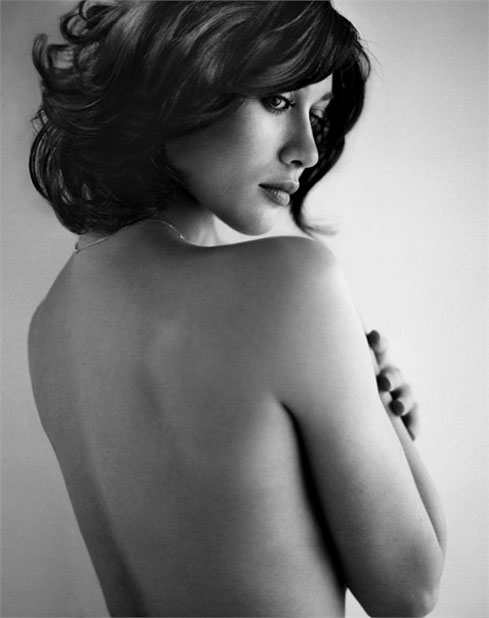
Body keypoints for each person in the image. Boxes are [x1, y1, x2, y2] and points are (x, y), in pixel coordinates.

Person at [27, 1, 446, 616]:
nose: (307, 150)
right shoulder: (289, 284)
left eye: (317, 114)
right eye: (277, 101)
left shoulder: (50, 322)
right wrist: (382, 414)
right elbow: (410, 590)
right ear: (180, 80)